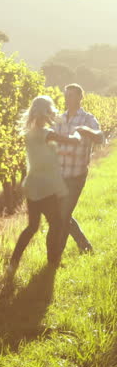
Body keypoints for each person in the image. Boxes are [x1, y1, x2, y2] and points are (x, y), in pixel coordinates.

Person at [7, 95, 80, 278]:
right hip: (46, 188)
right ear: (46, 112)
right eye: (50, 110)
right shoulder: (47, 133)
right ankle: (52, 262)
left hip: (32, 186)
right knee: (55, 224)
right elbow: (73, 141)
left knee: (32, 227)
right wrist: (79, 132)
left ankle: (13, 263)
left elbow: (45, 154)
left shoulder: (30, 132)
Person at [54, 83, 104, 254]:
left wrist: (87, 131)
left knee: (63, 215)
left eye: (71, 95)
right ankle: (85, 246)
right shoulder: (59, 119)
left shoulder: (88, 119)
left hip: (76, 176)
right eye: (66, 95)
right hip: (59, 175)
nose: (67, 99)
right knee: (59, 214)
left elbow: (100, 137)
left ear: (80, 98)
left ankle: (55, 257)